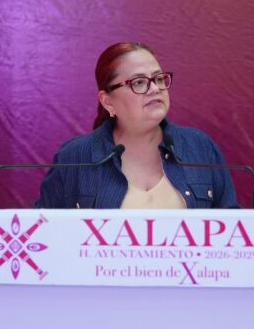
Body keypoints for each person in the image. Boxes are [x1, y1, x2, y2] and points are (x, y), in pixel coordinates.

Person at [36, 42, 239, 209]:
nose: (155, 89)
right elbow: (44, 233)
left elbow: (233, 229)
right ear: (108, 102)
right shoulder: (75, 157)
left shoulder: (199, 147)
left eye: (158, 78)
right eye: (139, 82)